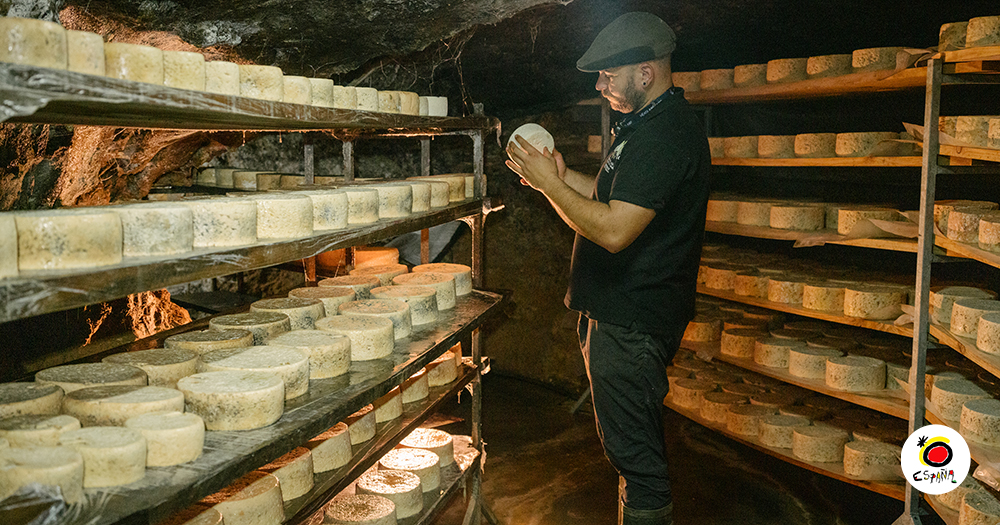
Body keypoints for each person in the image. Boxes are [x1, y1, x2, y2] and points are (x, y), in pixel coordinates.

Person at [505, 11, 711, 525]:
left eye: (608, 76)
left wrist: (551, 187)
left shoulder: (666, 136)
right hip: (618, 317)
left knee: (638, 464)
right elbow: (604, 198)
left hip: (634, 323)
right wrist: (555, 178)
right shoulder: (643, 125)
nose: (600, 87)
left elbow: (615, 231)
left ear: (646, 72)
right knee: (626, 451)